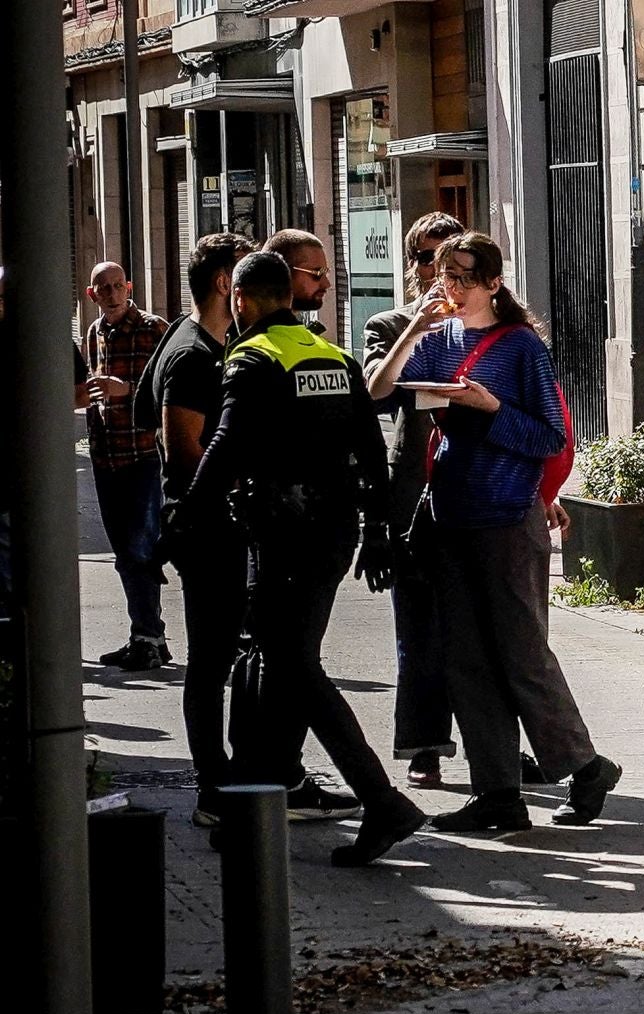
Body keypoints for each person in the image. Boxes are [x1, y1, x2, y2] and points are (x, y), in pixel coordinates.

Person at [172, 252, 425, 865]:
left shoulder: (252, 358)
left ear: (240, 300)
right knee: (278, 663)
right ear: (289, 295)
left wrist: (184, 514)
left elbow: (225, 444)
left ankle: (382, 799)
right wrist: (377, 531)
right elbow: (370, 445)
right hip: (332, 532)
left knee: (289, 665)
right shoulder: (332, 356)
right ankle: (251, 803)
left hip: (283, 532)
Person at [366, 232, 623, 831]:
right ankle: (498, 792)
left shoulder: (521, 348)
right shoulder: (439, 337)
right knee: (465, 660)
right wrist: (413, 331)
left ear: (492, 284)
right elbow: (380, 390)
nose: (449, 285)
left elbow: (552, 437)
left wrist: (488, 409)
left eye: (461, 276)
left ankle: (584, 766)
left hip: (507, 516)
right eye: (443, 274)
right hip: (450, 514)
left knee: (521, 653)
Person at [146, 233, 254, 824]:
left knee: (226, 658)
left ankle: (239, 777)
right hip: (205, 528)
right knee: (210, 663)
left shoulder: (203, 342)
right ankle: (214, 788)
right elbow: (183, 449)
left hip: (221, 525)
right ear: (223, 284)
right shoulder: (191, 353)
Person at [363, 212, 467, 785]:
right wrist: (418, 330)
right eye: (431, 259)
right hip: (414, 495)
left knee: (486, 626)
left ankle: (495, 743)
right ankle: (425, 744)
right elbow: (376, 391)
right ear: (413, 267)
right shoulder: (389, 324)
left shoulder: (487, 325)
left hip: (480, 489)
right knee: (420, 627)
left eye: (453, 259)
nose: (442, 271)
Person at [74, 261, 171, 670]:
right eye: (104, 288)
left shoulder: (153, 329)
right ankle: (146, 634)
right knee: (124, 552)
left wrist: (126, 389)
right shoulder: (94, 333)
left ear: (129, 287)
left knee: (140, 549)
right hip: (106, 453)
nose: (113, 293)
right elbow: (83, 392)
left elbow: (170, 387)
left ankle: (149, 636)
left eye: (118, 285)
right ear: (92, 295)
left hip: (144, 455)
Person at [262, 229, 333, 320]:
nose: (327, 284)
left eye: (325, 273)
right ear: (282, 273)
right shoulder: (255, 331)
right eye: (317, 274)